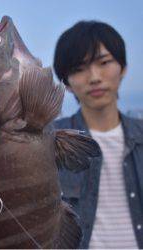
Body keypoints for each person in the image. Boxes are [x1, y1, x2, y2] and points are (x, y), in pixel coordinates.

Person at [53, 21, 143, 249]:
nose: (94, 77)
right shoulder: (49, 141)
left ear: (123, 68)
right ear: (67, 83)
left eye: (104, 62)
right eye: (79, 68)